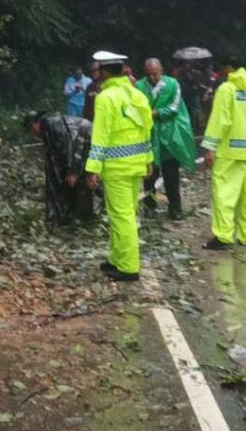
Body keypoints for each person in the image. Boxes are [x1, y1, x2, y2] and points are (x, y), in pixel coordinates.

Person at [85, 51, 154, 282]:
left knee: (121, 216)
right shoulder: (137, 95)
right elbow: (146, 130)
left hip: (117, 167)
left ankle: (128, 267)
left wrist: (92, 168)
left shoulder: (106, 98)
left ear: (104, 72)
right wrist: (148, 159)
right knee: (124, 213)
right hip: (136, 165)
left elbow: (100, 136)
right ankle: (116, 259)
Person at [201, 57, 246, 250]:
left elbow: (220, 120)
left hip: (228, 151)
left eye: (222, 69)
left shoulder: (226, 90)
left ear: (229, 67)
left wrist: (210, 147)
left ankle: (223, 236)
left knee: (224, 194)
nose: (221, 73)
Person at [137, 58, 197, 221]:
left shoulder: (172, 84)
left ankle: (175, 209)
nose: (152, 78)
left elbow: (174, 107)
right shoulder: (139, 86)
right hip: (149, 136)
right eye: (149, 74)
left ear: (161, 71)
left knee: (171, 175)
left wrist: (155, 113)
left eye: (155, 74)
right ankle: (149, 207)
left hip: (168, 137)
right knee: (149, 175)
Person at [30, 112, 94, 225]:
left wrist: (72, 171)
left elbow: (69, 146)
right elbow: (55, 155)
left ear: (35, 124)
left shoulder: (52, 123)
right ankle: (69, 214)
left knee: (82, 178)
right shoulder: (48, 128)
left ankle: (85, 216)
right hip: (78, 141)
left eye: (31, 129)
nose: (33, 134)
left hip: (85, 137)